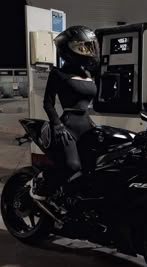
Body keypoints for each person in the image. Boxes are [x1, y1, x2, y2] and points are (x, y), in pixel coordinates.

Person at [36, 25, 100, 199]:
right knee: (72, 166)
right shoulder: (58, 73)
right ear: (67, 49)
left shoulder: (87, 73)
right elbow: (48, 103)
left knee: (93, 167)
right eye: (82, 47)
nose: (87, 50)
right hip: (67, 127)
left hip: (86, 125)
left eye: (88, 46)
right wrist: (57, 124)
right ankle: (43, 186)